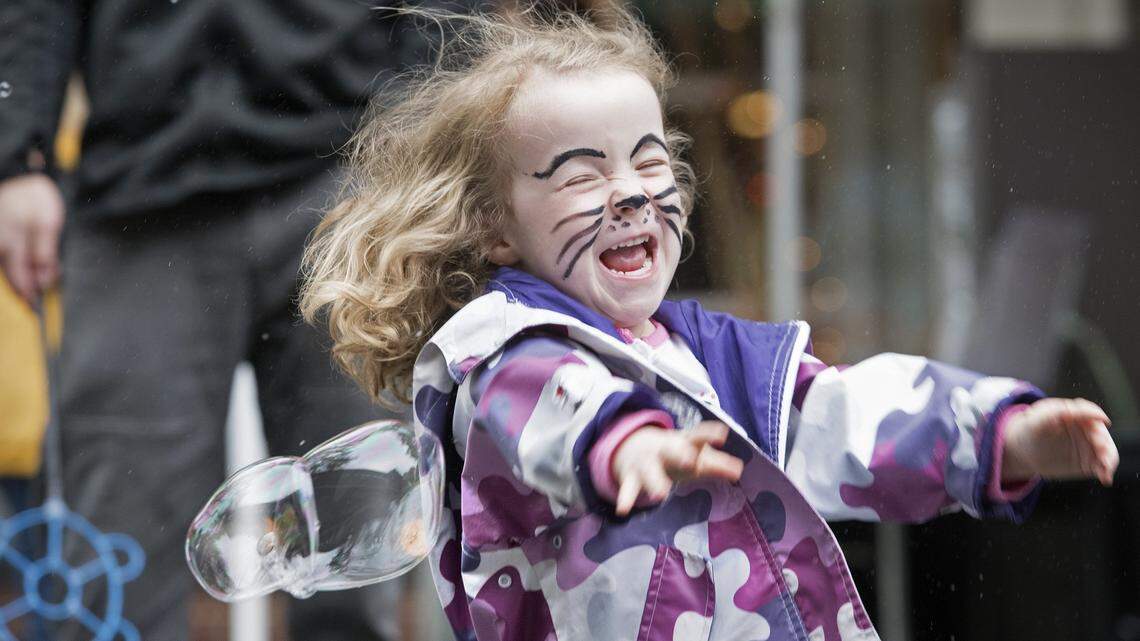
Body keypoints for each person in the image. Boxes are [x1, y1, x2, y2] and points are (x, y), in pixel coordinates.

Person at [300, 7, 1120, 640]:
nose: (629, 194)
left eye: (649, 161)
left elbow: (843, 412)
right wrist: (626, 444)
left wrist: (1000, 432)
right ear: (494, 228)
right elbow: (547, 403)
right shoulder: (497, 348)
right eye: (582, 176)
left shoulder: (707, 354)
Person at [0, 1, 480, 639]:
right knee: (113, 583)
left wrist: (425, 136)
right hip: (136, 192)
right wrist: (18, 153)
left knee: (362, 550)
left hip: (348, 177)